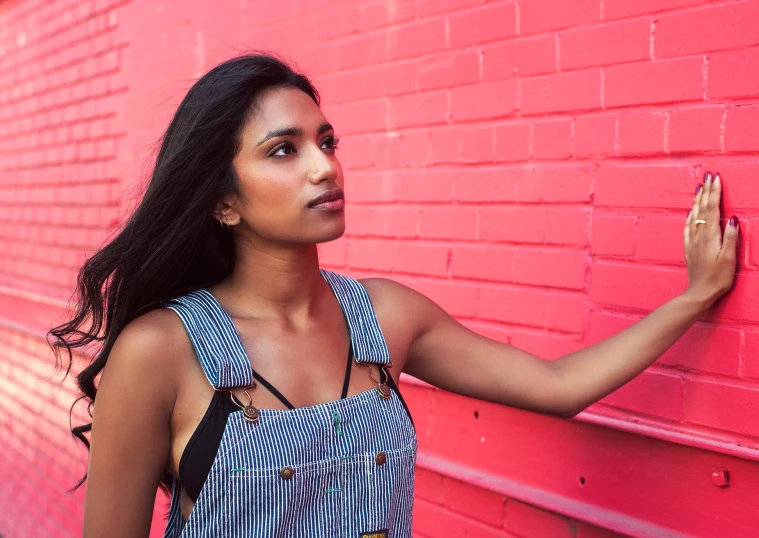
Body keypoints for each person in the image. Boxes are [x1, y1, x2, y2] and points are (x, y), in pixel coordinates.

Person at [49, 53, 740, 538]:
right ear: (224, 201)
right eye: (283, 150)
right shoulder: (162, 350)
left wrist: (694, 295)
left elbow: (559, 386)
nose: (325, 165)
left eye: (326, 140)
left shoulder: (383, 317)